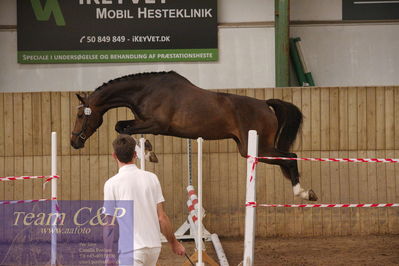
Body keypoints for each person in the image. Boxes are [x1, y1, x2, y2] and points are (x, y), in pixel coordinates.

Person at [103, 134, 185, 266]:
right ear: (135, 154)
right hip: (153, 247)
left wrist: (108, 255)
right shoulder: (152, 178)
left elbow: (109, 224)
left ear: (114, 156)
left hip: (130, 250)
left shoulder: (111, 184)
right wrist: (174, 243)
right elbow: (162, 217)